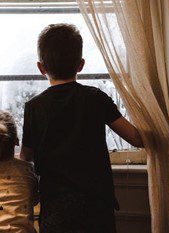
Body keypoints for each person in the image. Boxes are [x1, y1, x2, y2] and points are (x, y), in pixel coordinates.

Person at [20, 24, 144, 233]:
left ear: (41, 68)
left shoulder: (34, 107)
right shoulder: (96, 98)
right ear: (81, 65)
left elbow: (26, 157)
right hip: (97, 207)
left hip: (55, 210)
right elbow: (137, 138)